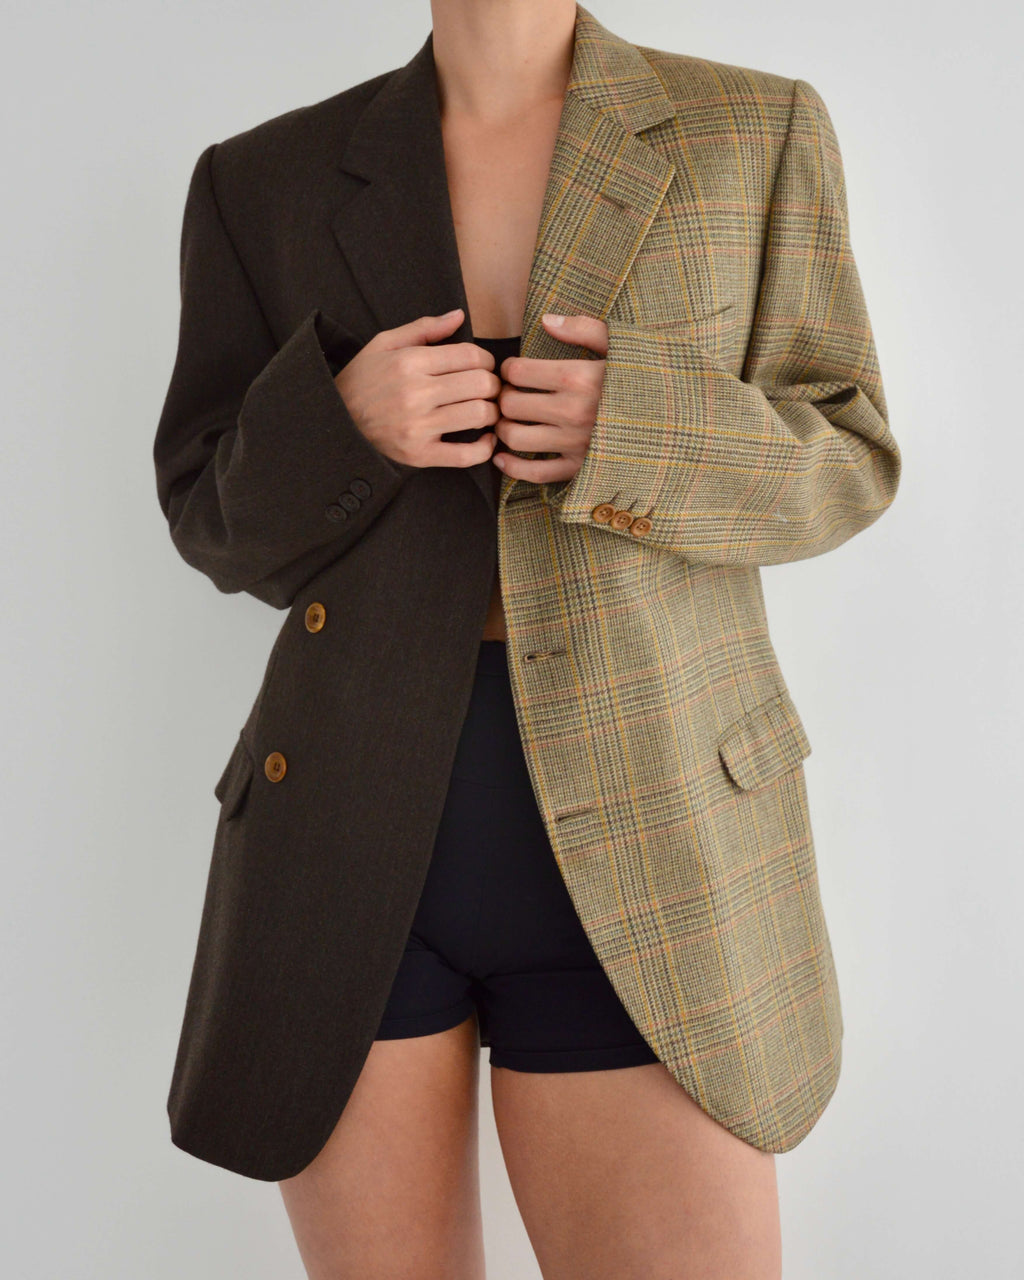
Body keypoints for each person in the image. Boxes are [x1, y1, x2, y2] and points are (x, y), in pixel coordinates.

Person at [154, 2, 901, 1276]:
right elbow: (211, 523)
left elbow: (850, 458)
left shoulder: (750, 128)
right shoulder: (260, 178)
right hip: (343, 840)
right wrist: (340, 421)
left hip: (661, 827)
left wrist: (638, 428)